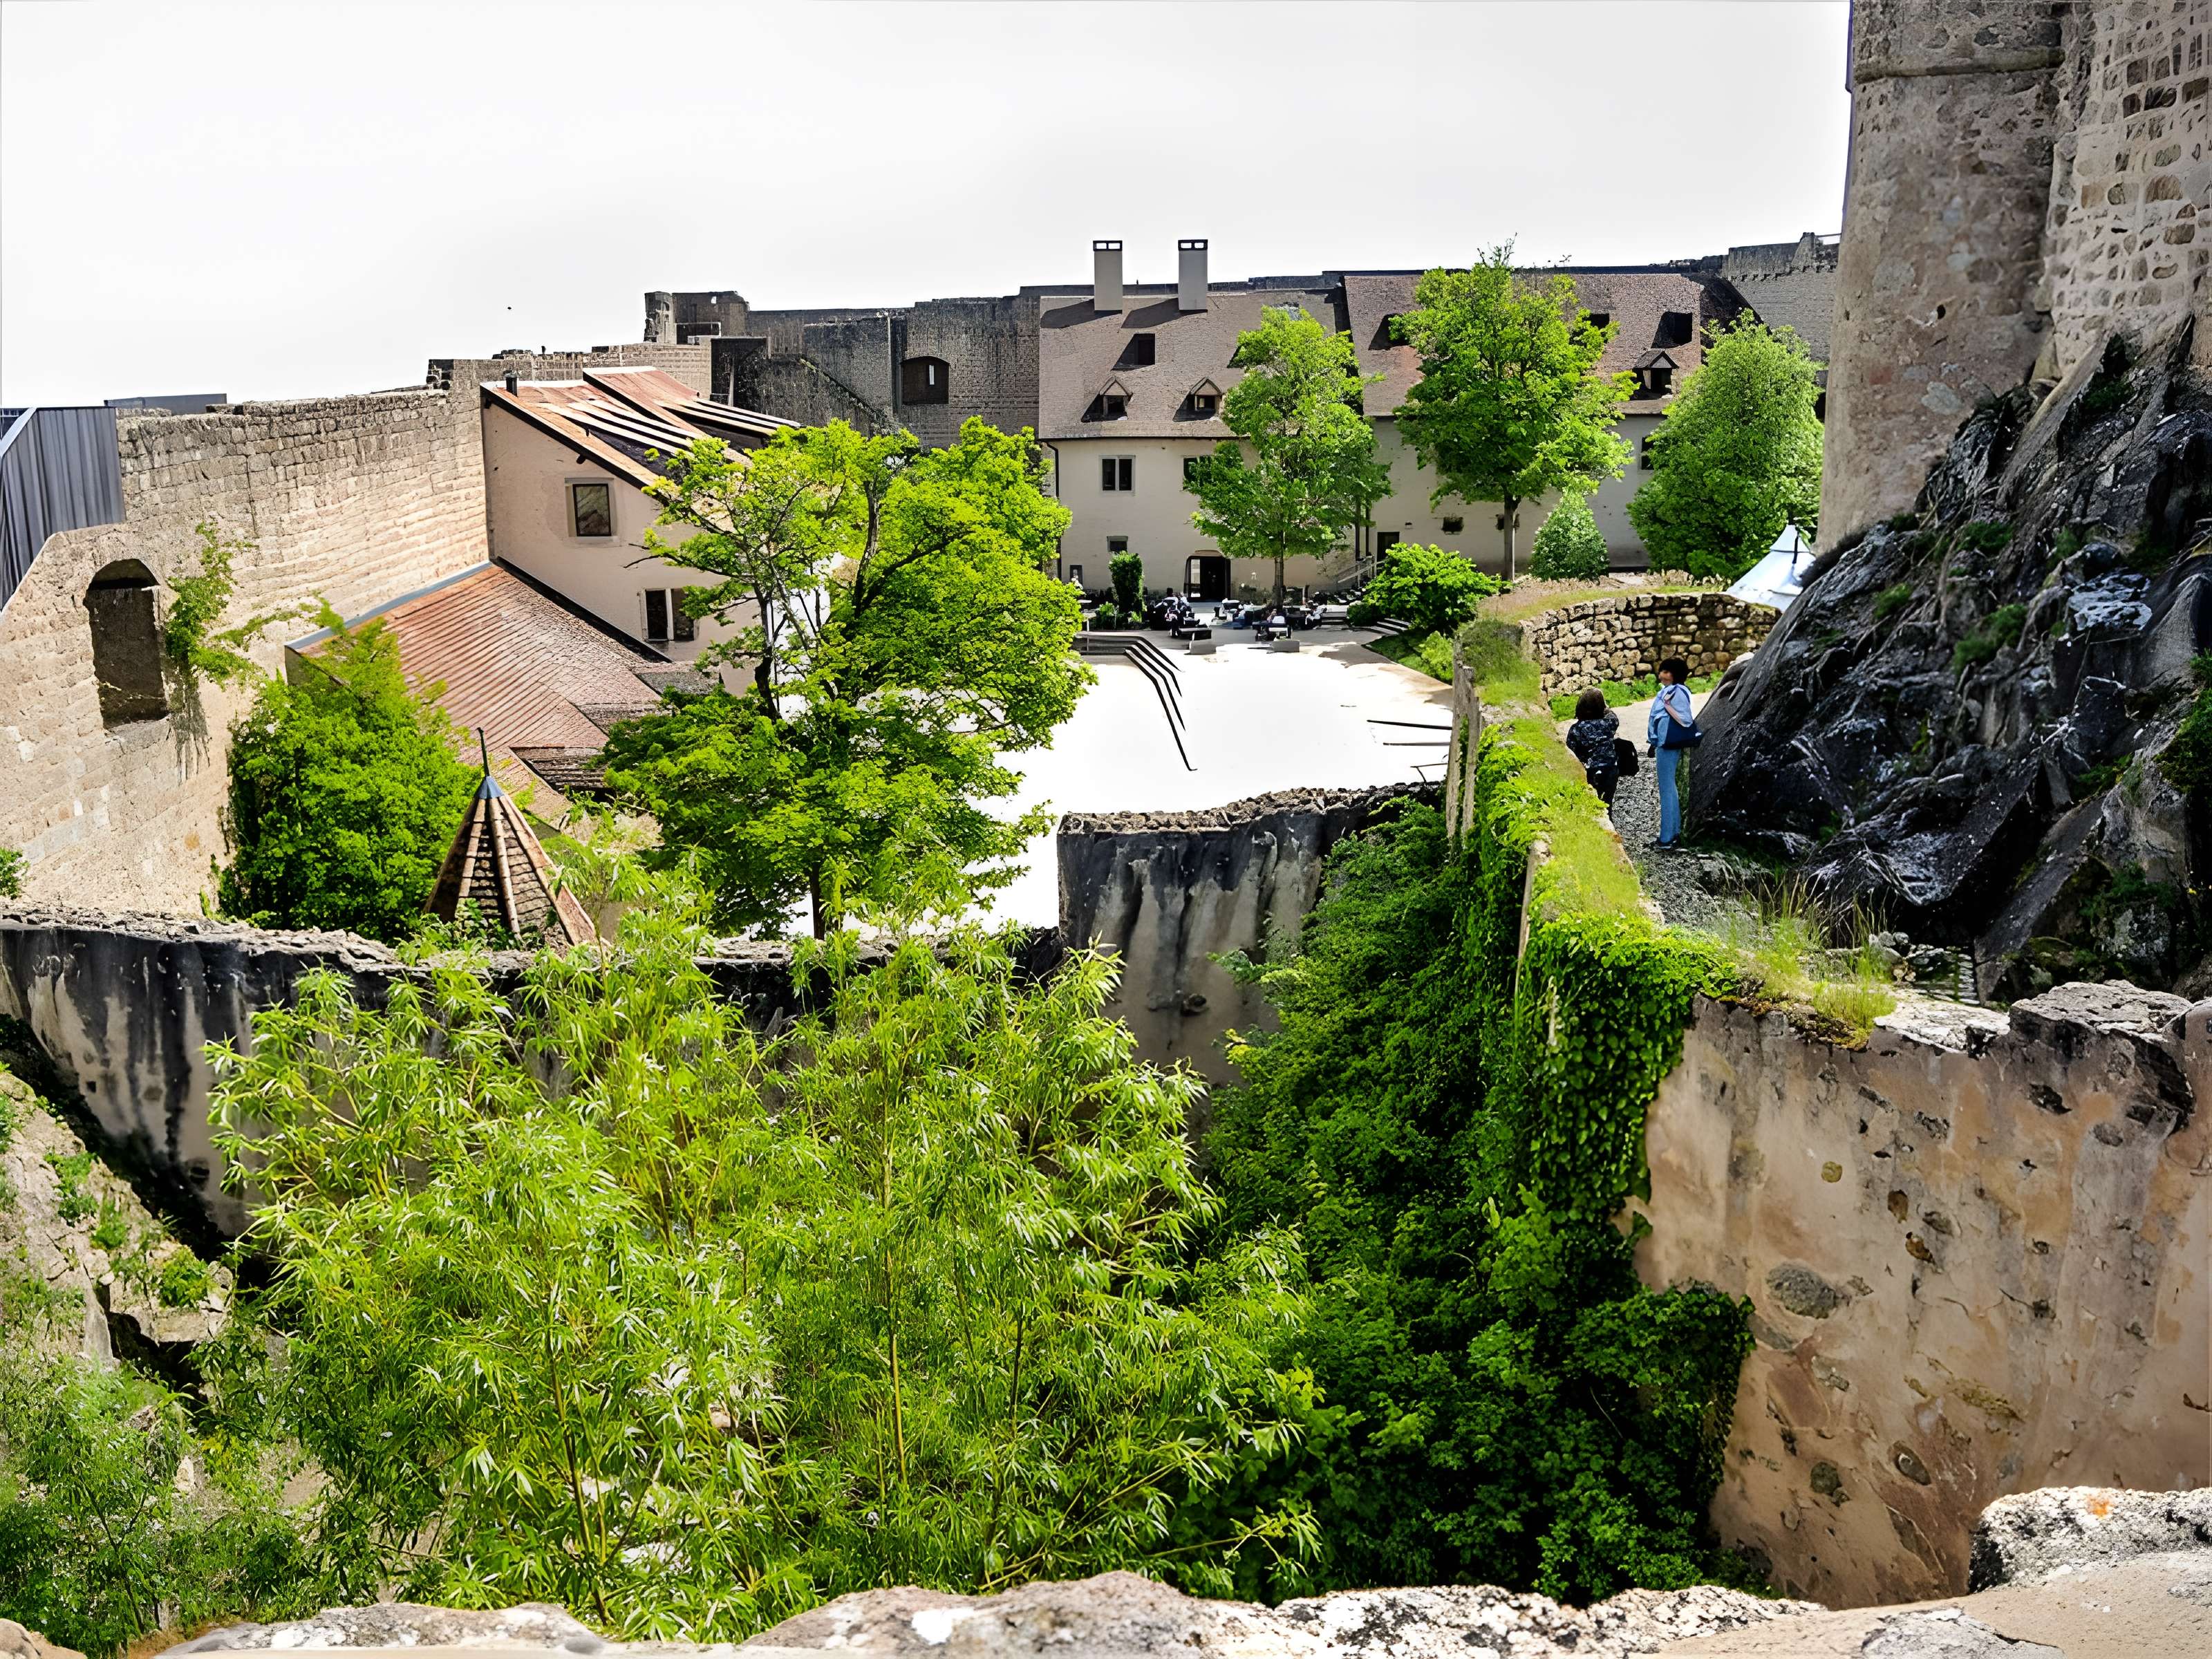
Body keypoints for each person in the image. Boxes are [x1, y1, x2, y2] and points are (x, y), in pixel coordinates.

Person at [1647, 656, 1696, 849]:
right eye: (1662, 671)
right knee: (1669, 788)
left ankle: (1667, 838)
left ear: (1676, 675)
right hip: (1664, 743)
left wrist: (1667, 706)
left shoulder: (1675, 692)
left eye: (1667, 672)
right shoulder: (1669, 691)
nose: (1662, 675)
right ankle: (1671, 833)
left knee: (1667, 789)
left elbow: (1685, 719)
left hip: (1669, 743)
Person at [1564, 688, 1621, 805]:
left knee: (1592, 802)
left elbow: (1570, 750)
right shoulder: (1609, 723)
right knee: (1607, 803)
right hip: (1611, 769)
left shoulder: (1577, 729)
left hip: (1590, 771)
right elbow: (1612, 715)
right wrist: (1605, 707)